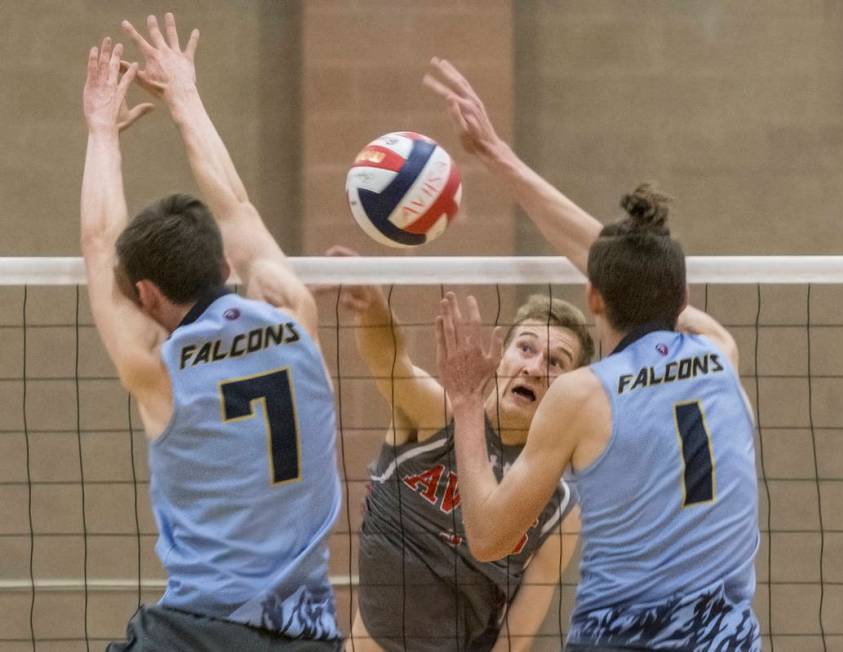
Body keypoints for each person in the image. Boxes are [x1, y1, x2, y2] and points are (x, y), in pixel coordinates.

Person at [426, 59, 760, 651]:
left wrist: (466, 401)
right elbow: (621, 266)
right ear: (680, 297)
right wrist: (499, 156)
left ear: (592, 297)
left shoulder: (582, 394)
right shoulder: (719, 353)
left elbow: (489, 537)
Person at [81, 15, 341, 650]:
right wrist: (185, 95)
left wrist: (101, 134)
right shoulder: (292, 313)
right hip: (307, 634)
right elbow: (237, 206)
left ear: (145, 296)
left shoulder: (157, 370)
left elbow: (98, 242)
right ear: (225, 267)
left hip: (197, 634)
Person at [319, 247, 592, 651]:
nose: (534, 368)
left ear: (571, 387)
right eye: (527, 348)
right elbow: (390, 359)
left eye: (555, 361)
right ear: (500, 356)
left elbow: (515, 637)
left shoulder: (559, 505)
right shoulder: (437, 416)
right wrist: (373, 307)